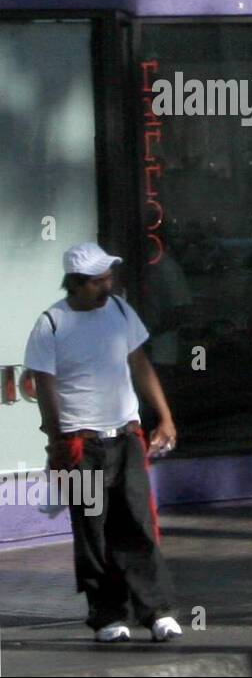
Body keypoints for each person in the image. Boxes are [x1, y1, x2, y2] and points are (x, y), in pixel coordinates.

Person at [23, 243, 183, 643]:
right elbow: (45, 386)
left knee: (138, 524)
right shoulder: (51, 324)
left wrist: (164, 416)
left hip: (126, 438)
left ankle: (157, 611)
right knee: (92, 532)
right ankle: (108, 615)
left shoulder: (120, 311)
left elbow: (140, 363)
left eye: (108, 278)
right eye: (97, 281)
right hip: (80, 444)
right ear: (76, 284)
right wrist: (57, 440)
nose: (106, 287)